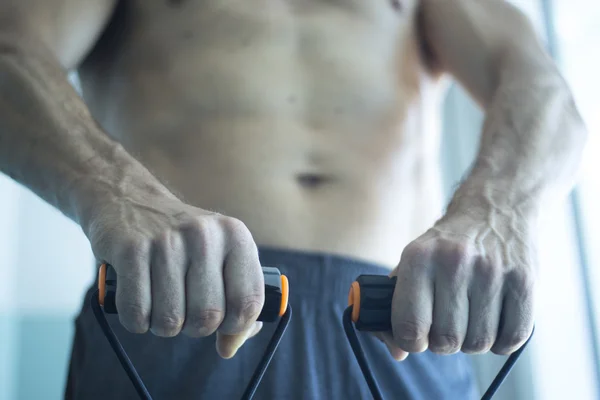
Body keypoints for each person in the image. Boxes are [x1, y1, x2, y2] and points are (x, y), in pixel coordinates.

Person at [0, 0, 586, 398]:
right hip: (177, 314)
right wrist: (120, 195)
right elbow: (10, 51)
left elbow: (543, 90)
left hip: (402, 324)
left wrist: (496, 213)